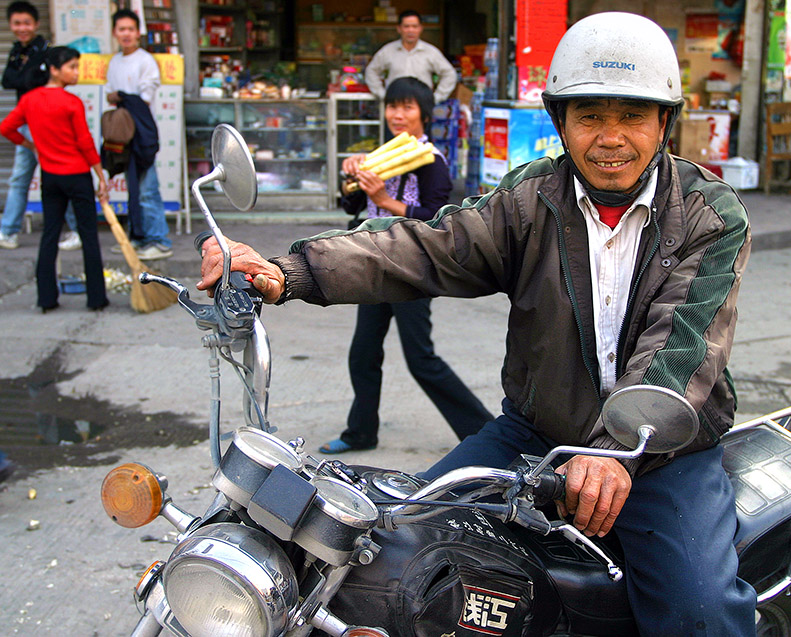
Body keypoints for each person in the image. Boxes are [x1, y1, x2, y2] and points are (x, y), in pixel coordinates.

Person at [199, 13, 756, 634]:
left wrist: (617, 453)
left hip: (662, 455)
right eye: (591, 116)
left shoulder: (710, 214)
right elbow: (425, 246)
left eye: (631, 116)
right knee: (389, 548)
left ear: (663, 123)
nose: (610, 138)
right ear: (562, 122)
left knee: (698, 612)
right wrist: (288, 271)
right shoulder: (531, 199)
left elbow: (679, 346)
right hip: (536, 433)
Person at [322, 77, 493, 454]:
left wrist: (385, 198)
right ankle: (361, 432)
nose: (398, 114)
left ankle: (486, 434)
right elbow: (354, 207)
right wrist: (352, 179)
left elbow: (438, 217)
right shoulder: (381, 154)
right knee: (363, 352)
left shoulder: (432, 161)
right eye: (392, 106)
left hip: (413, 266)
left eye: (407, 107)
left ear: (424, 115)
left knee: (421, 359)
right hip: (371, 261)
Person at [0, 46, 109, 312]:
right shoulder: (71, 102)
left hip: (50, 177)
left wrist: (30, 145)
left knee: (50, 234)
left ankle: (46, 298)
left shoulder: (30, 100)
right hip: (77, 176)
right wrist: (100, 176)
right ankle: (96, 299)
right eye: (71, 67)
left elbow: (6, 128)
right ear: (54, 70)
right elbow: (84, 142)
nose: (76, 72)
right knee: (88, 236)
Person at [0, 1, 79, 251]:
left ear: (35, 24)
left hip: (46, 124)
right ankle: (8, 231)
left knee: (57, 178)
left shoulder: (45, 50)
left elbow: (24, 79)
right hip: (26, 124)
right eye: (17, 23)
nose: (21, 28)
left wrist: (23, 75)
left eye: (26, 23)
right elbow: (8, 81)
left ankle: (76, 230)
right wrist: (24, 75)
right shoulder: (16, 50)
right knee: (21, 178)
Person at [104, 8, 171, 261]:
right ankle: (138, 237)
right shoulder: (114, 62)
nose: (126, 34)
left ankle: (160, 240)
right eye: (122, 29)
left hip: (141, 134)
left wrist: (121, 97)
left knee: (147, 188)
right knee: (134, 187)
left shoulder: (145, 61)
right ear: (115, 33)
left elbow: (144, 97)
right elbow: (113, 95)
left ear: (138, 32)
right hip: (123, 135)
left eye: (131, 29)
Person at [364, 10, 457, 105]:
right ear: (399, 29)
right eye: (406, 26)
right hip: (396, 104)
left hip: (422, 105)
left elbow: (449, 74)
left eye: (415, 26)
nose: (411, 30)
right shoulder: (388, 51)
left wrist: (436, 97)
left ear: (420, 28)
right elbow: (371, 71)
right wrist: (382, 95)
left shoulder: (431, 52)